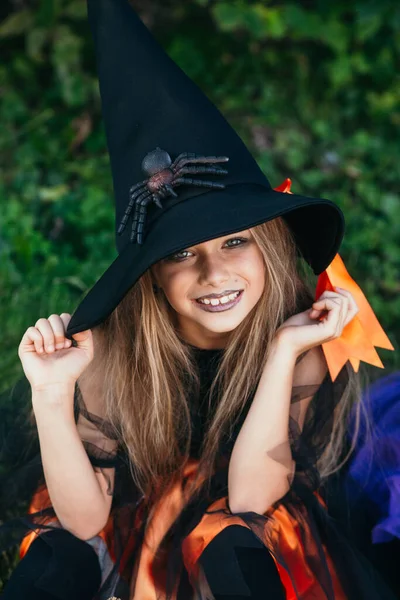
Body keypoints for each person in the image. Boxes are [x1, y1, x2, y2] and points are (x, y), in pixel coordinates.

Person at [0, 0, 396, 599]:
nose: (214, 273)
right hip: (127, 510)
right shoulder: (110, 350)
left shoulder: (301, 334)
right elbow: (87, 518)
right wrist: (53, 397)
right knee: (58, 551)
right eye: (181, 253)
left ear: (269, 244)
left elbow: (252, 497)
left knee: (235, 547)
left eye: (235, 241)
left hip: (242, 514)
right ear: (150, 277)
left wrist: (283, 352)